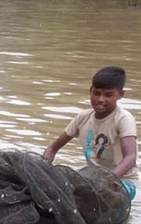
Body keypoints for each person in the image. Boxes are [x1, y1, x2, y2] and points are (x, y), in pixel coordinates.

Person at [42, 65, 138, 199]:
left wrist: (108, 179)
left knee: (96, 198)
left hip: (122, 181)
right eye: (96, 93)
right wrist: (43, 167)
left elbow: (130, 158)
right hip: (93, 178)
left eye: (108, 95)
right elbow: (53, 148)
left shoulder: (123, 119)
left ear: (120, 95)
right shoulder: (83, 118)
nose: (100, 99)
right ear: (90, 91)